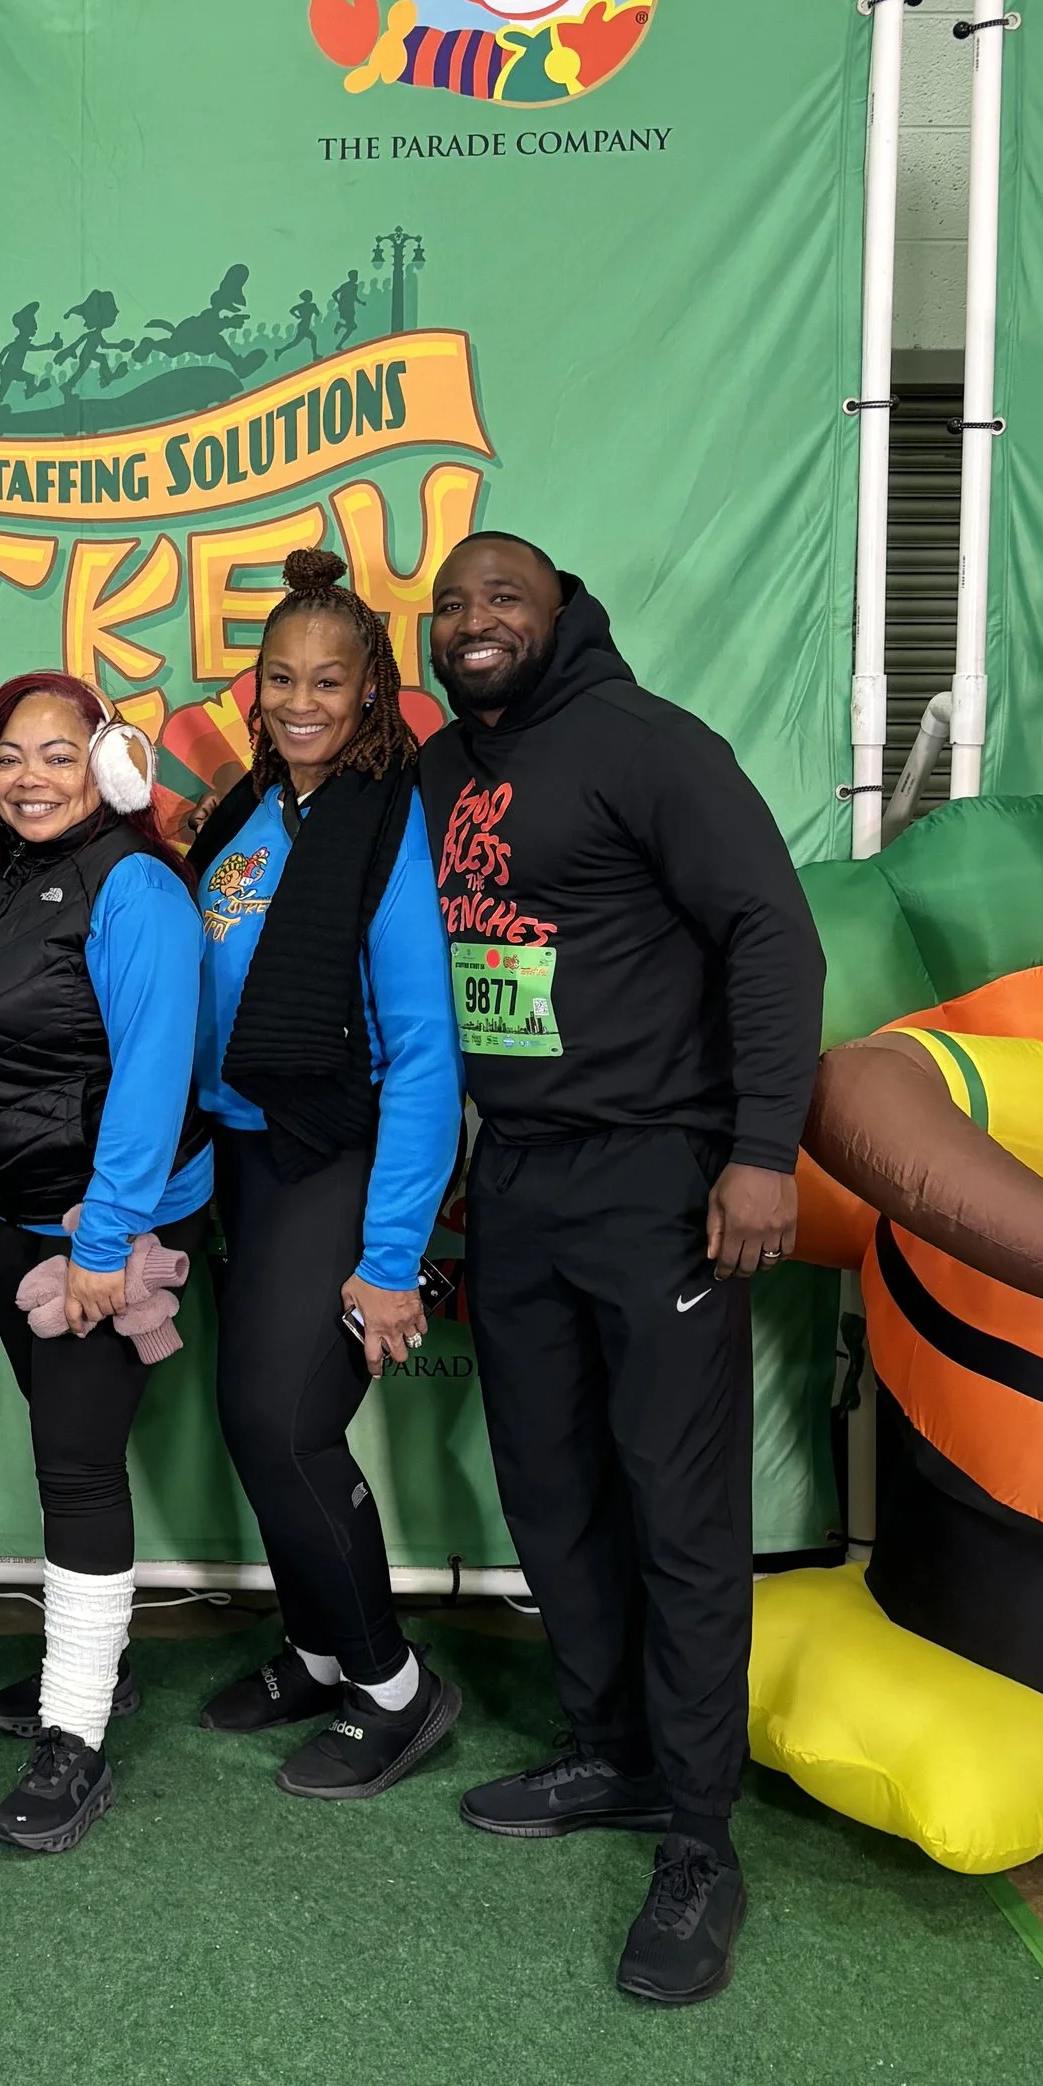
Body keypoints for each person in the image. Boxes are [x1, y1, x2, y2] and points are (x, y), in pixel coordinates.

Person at [422, 532, 824, 2007]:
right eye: (451, 603)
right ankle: (612, 1751)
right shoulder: (441, 770)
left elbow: (771, 933)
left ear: (562, 613)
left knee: (679, 1508)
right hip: (517, 1175)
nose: (474, 620)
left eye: (503, 597)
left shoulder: (650, 745)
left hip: (659, 1175)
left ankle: (701, 1839)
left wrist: (761, 1150)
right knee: (548, 1485)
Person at [0, 672, 209, 1856]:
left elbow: (153, 1070)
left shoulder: (136, 887)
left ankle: (75, 1736)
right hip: (3, 1211)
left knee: (76, 1465)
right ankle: (98, 1667)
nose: (32, 777)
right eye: (11, 756)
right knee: (65, 1448)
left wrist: (103, 1239)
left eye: (60, 754)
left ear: (112, 768)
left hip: (105, 1226)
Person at [190, 549, 463, 1797]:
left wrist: (391, 1257)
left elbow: (422, 1053)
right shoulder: (245, 814)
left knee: (286, 1423)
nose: (301, 701)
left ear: (369, 692)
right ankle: (311, 1652)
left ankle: (395, 1688)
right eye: (281, 677)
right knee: (252, 1422)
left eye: (328, 681)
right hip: (242, 1156)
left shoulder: (386, 824)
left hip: (336, 1159)